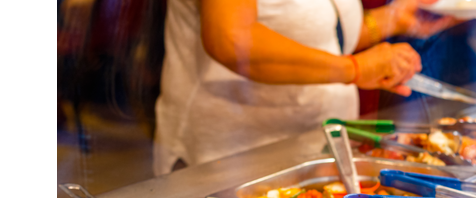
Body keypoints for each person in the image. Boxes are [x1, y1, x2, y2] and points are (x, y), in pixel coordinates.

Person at [153, 0, 456, 175]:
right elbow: (231, 39)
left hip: (312, 151)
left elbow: (319, 33)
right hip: (229, 158)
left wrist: (391, 21)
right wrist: (354, 69)